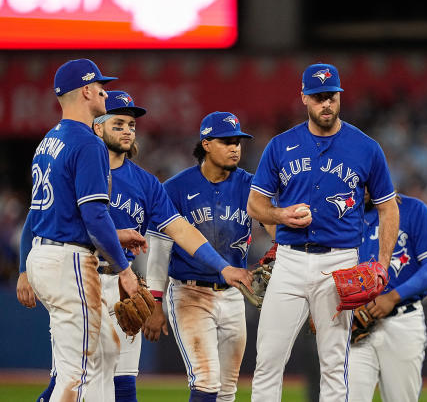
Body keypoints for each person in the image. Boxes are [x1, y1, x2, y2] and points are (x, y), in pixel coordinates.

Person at [18, 93, 253, 402]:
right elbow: (37, 216)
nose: (128, 130)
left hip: (122, 281)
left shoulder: (146, 183)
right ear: (98, 127)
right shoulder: (80, 164)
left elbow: (180, 229)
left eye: (131, 124)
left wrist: (223, 266)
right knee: (71, 376)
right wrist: (23, 268)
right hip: (79, 275)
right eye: (119, 123)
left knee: (123, 382)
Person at [247, 62, 400, 402]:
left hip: (339, 263)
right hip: (288, 261)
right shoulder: (281, 145)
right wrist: (280, 215)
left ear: (340, 96)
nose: (326, 104)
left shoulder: (366, 147)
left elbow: (389, 206)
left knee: (334, 364)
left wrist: (383, 264)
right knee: (268, 359)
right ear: (304, 98)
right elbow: (255, 205)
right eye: (318, 98)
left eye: (331, 96)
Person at [18, 59, 147, 402]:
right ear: (87, 90)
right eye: (101, 86)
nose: (106, 91)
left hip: (45, 255)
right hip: (68, 261)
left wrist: (22, 268)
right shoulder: (88, 142)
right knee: (80, 370)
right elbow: (94, 216)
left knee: (105, 350)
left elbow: (44, 212)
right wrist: (125, 270)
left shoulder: (49, 140)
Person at [144, 111, 256, 402]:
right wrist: (155, 301)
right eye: (227, 141)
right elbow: (158, 250)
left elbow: (270, 220)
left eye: (238, 142)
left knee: (228, 390)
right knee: (206, 381)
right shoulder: (176, 188)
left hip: (233, 295)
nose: (235, 148)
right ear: (206, 144)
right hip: (189, 294)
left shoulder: (250, 184)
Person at [348, 190, 427, 402]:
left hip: (403, 321)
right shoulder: (344, 215)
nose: (363, 188)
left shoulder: (412, 209)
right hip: (356, 325)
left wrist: (393, 296)